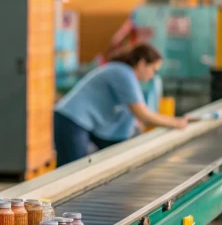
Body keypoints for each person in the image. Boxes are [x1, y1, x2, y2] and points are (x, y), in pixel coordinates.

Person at [53, 43, 188, 166]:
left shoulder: (123, 72)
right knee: (72, 168)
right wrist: (176, 123)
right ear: (142, 64)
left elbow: (130, 115)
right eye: (153, 69)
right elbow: (142, 113)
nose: (153, 76)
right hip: (71, 119)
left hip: (82, 122)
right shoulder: (124, 73)